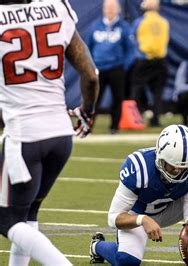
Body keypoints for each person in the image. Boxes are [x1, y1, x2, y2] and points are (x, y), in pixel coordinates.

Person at [0, 0, 99, 265]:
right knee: (28, 213)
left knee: (7, 220)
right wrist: (87, 112)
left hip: (24, 137)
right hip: (60, 135)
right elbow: (90, 75)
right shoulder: (56, 7)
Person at [89, 124, 188, 265]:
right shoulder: (139, 167)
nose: (177, 171)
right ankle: (97, 246)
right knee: (127, 262)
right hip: (138, 213)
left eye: (183, 168)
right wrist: (143, 220)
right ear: (160, 156)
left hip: (170, 208)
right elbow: (113, 218)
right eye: (172, 165)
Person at [86, 0, 134, 134]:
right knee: (94, 99)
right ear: (103, 9)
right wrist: (90, 64)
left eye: (112, 8)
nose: (110, 10)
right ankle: (88, 126)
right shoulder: (95, 26)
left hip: (116, 68)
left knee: (117, 98)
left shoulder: (124, 27)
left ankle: (114, 127)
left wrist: (124, 66)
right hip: (98, 68)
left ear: (118, 9)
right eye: (107, 8)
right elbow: (87, 47)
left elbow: (130, 50)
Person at [130, 0, 169, 127]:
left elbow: (132, 38)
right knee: (158, 92)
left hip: (144, 59)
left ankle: (135, 118)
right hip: (160, 60)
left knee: (137, 89)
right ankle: (155, 119)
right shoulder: (164, 22)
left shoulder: (140, 22)